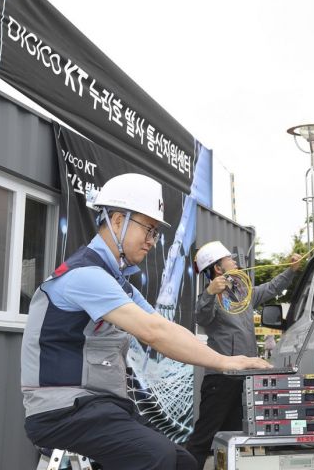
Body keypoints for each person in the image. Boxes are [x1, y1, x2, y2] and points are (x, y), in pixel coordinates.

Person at [20, 173, 270, 470]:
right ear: (116, 221)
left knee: (183, 462)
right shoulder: (85, 275)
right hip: (62, 412)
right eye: (148, 229)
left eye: (155, 233)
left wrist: (230, 360)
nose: (152, 241)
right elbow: (154, 332)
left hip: (101, 407)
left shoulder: (117, 282)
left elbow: (168, 329)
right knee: (157, 459)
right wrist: (226, 363)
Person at [185, 242, 301, 468]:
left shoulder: (243, 292)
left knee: (234, 437)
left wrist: (291, 271)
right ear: (218, 269)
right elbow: (202, 317)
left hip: (246, 378)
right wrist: (210, 292)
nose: (235, 262)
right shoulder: (209, 298)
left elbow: (271, 288)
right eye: (230, 259)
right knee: (204, 436)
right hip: (221, 377)